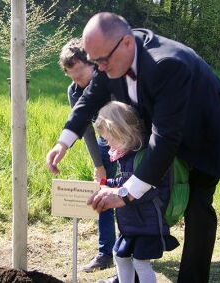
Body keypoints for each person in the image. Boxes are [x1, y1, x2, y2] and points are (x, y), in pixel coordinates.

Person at [46, 12, 220, 283]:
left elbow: (165, 140)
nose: (100, 69)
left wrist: (127, 193)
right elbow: (89, 98)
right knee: (142, 196)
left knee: (197, 206)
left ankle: (193, 278)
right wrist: (64, 141)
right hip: (164, 128)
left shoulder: (167, 64)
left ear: (127, 44)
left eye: (103, 61)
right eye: (96, 63)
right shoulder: (111, 57)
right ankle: (131, 272)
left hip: (205, 135)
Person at [94, 101, 179, 283]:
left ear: (122, 132)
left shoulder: (145, 158)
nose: (107, 144)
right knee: (120, 255)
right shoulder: (126, 155)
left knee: (141, 262)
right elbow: (124, 181)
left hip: (147, 222)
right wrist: (105, 183)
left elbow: (145, 190)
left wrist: (114, 190)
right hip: (132, 221)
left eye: (109, 138)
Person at [58, 38, 117, 272]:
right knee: (102, 193)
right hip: (103, 142)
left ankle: (137, 246)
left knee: (129, 193)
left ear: (92, 64)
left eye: (80, 74)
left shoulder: (111, 80)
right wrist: (98, 164)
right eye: (72, 76)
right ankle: (105, 253)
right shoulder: (74, 91)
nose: (77, 81)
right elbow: (85, 129)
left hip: (131, 141)